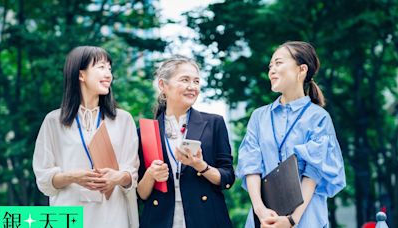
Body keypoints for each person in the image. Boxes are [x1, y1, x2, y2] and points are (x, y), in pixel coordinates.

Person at [236, 41, 346, 228]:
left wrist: (291, 220)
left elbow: (314, 172)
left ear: (301, 70)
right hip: (265, 219)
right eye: (270, 65)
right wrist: (261, 211)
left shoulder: (318, 117)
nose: (272, 70)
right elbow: (250, 166)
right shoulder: (259, 117)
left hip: (306, 217)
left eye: (279, 63)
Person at [33, 46, 139, 228]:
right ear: (81, 75)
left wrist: (118, 177)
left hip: (112, 215)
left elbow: (133, 173)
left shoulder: (123, 120)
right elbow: (43, 179)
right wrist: (72, 176)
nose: (108, 74)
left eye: (109, 69)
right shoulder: (53, 121)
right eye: (101, 67)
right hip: (69, 217)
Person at [137, 56, 234, 228]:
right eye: (185, 80)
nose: (192, 87)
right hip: (159, 220)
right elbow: (141, 194)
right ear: (162, 85)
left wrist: (200, 166)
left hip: (206, 219)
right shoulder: (145, 132)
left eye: (196, 81)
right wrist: (151, 175)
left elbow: (228, 178)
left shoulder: (214, 123)